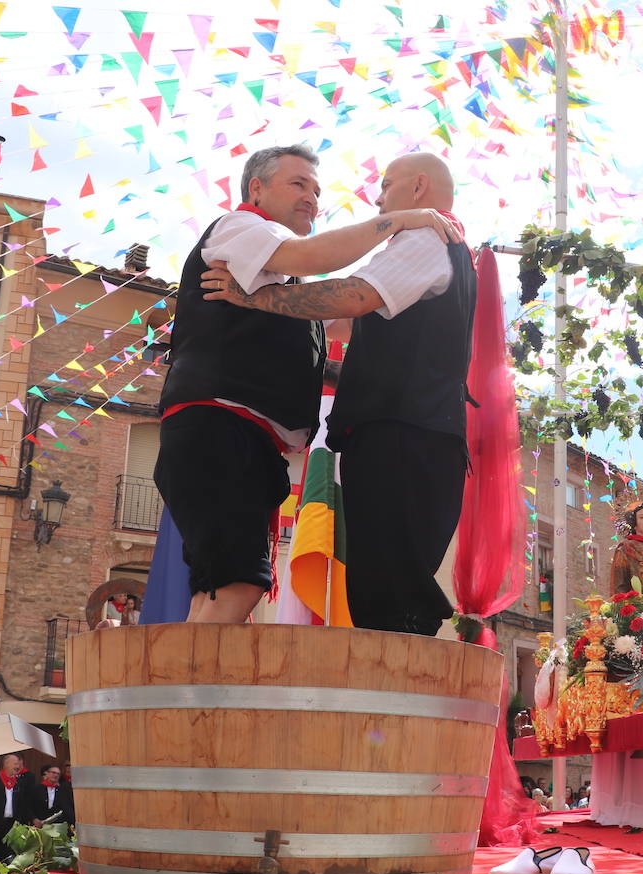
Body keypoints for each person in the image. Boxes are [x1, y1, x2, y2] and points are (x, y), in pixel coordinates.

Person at [156, 143, 460, 626]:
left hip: (241, 434)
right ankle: (179, 700)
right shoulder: (242, 227)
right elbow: (316, 260)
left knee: (219, 582)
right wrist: (403, 221)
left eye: (317, 191)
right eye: (299, 184)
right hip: (219, 424)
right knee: (239, 579)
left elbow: (346, 309)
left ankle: (179, 694)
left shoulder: (281, 278)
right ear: (256, 187)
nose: (312, 200)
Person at [0, 754, 34, 864]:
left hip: (11, 824)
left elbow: (21, 805)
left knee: (6, 852)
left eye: (18, 764)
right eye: (15, 764)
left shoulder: (19, 783)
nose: (18, 766)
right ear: (6, 764)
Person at [30, 764, 74, 828]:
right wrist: (34, 819)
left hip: (57, 825)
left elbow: (66, 808)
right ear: (46, 774)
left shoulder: (62, 791)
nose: (56, 775)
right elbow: (29, 806)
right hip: (39, 824)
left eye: (58, 774)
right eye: (53, 773)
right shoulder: (36, 789)